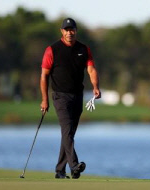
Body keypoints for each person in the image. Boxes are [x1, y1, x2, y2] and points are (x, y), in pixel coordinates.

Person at [40, 18, 101, 179]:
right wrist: (44, 99)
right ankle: (74, 165)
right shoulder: (52, 50)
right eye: (66, 30)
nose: (69, 33)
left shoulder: (83, 49)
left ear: (76, 30)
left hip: (77, 96)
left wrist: (95, 87)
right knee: (67, 131)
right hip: (60, 96)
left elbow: (91, 70)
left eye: (72, 29)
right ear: (62, 31)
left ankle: (60, 170)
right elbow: (44, 76)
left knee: (68, 134)